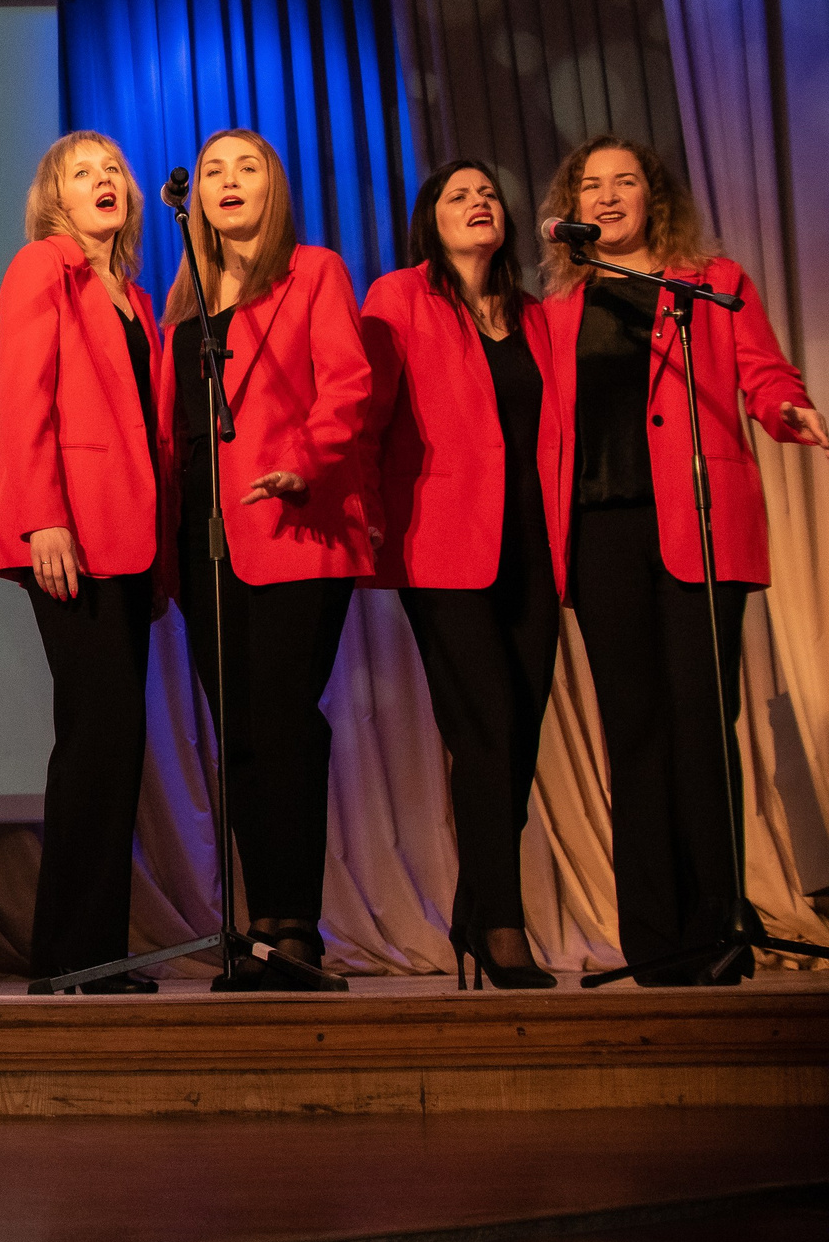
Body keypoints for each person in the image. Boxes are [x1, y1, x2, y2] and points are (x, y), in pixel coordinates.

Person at [535, 137, 824, 985]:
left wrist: (788, 408)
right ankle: (657, 946)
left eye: (626, 181)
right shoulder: (560, 308)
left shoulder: (713, 283)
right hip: (603, 534)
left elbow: (763, 372)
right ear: (575, 206)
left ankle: (719, 928)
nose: (611, 195)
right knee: (636, 735)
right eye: (594, 184)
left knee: (704, 726)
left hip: (700, 524)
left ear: (653, 198)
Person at [158, 128, 374, 990]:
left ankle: (298, 926)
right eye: (213, 170)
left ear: (272, 187)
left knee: (286, 723)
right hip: (205, 542)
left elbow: (348, 381)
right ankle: (260, 924)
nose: (227, 181)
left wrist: (307, 461)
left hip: (295, 523)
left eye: (246, 167)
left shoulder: (314, 271)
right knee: (239, 733)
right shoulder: (180, 303)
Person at [361, 161, 561, 990]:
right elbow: (366, 410)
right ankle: (503, 926)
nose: (479, 204)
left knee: (518, 738)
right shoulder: (399, 296)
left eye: (488, 195)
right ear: (430, 220)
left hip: (535, 553)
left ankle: (474, 913)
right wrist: (364, 512)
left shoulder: (538, 318)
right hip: (441, 549)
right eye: (458, 195)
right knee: (482, 732)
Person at [0, 133, 166, 992]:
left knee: (116, 741)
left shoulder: (136, 296)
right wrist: (41, 518)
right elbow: (25, 397)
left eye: (113, 172)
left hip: (129, 542)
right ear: (54, 196)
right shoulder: (43, 267)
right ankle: (70, 953)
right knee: (95, 737)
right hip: (72, 535)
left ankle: (93, 946)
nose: (105, 182)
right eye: (82, 173)